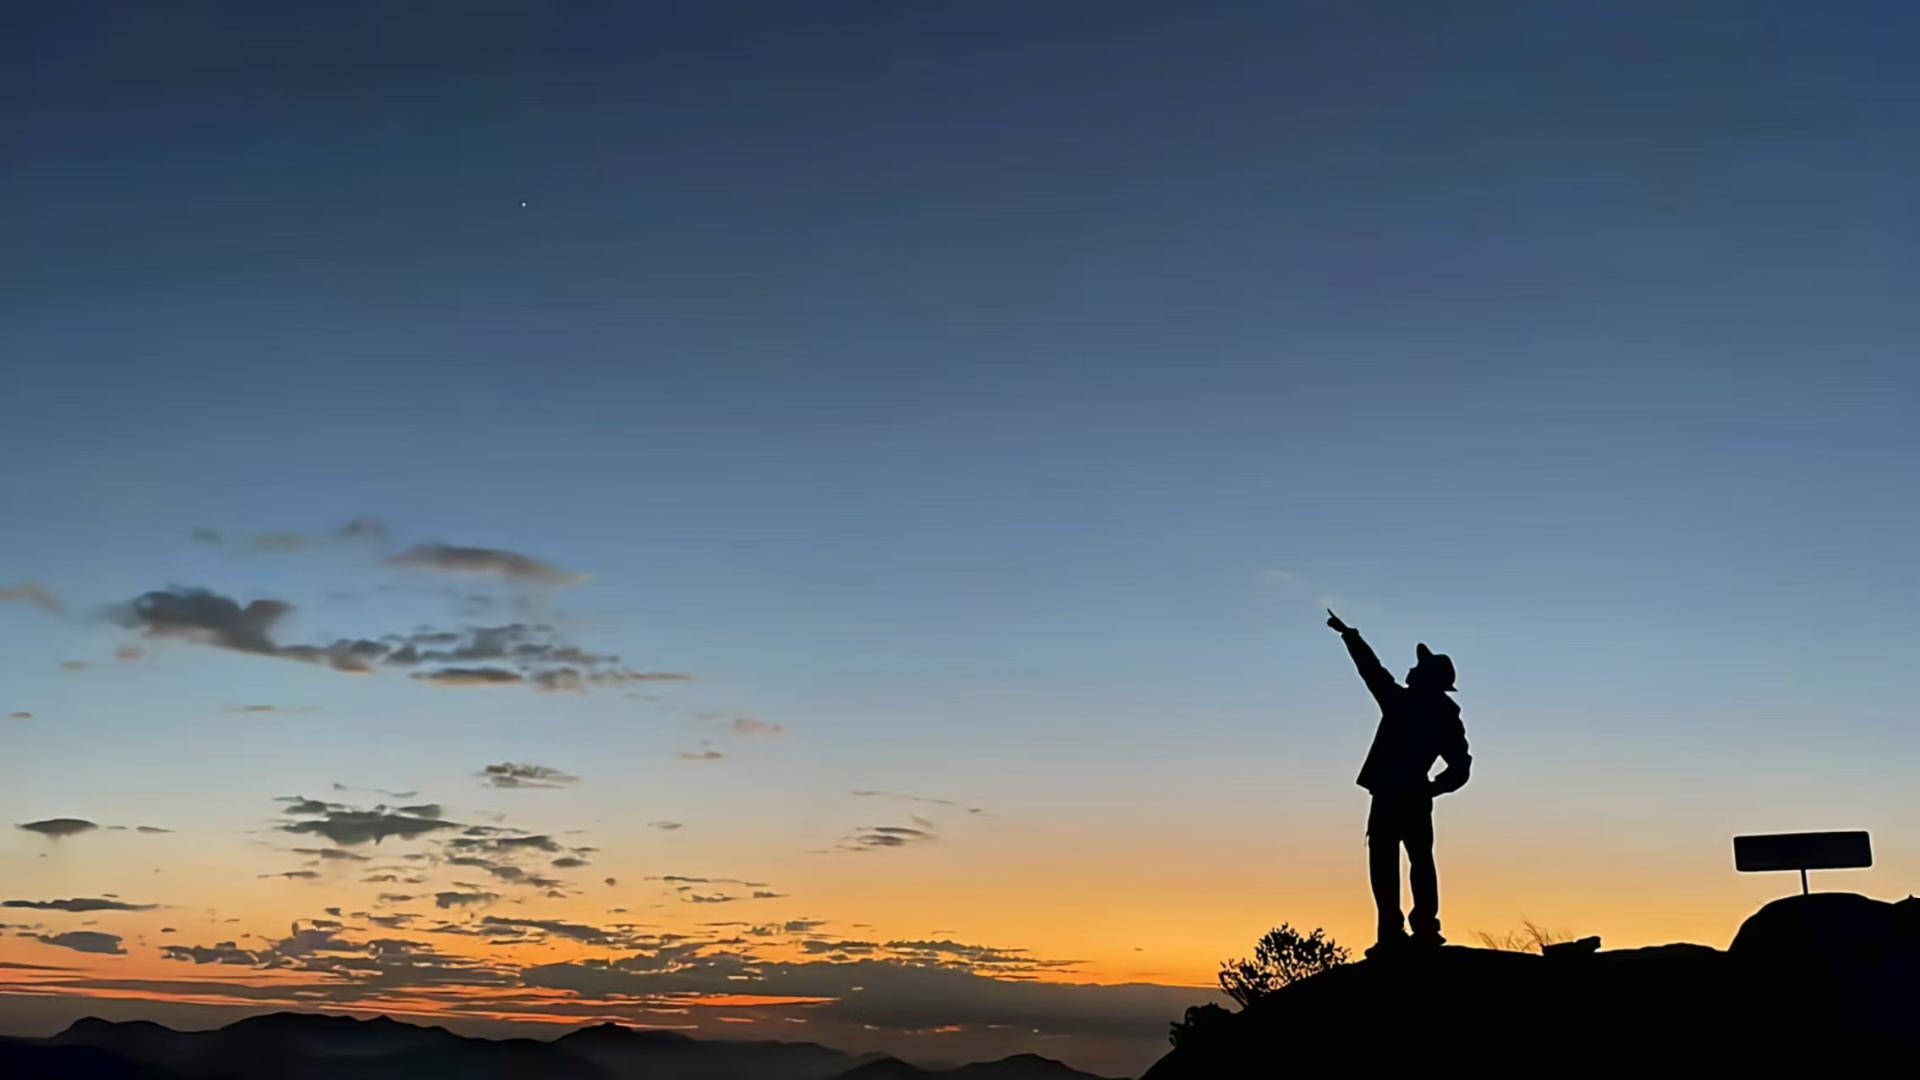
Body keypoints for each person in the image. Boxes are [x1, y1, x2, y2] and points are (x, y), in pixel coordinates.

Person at [1325, 609, 1470, 957]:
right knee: (1416, 860)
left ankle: (1395, 932)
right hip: (1413, 795)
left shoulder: (1402, 703)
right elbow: (1461, 766)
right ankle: (1421, 930)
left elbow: (1371, 670)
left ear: (1428, 678)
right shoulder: (1443, 715)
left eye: (1419, 667)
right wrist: (1434, 786)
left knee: (1389, 862)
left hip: (1392, 795)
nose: (1412, 669)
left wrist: (1351, 636)